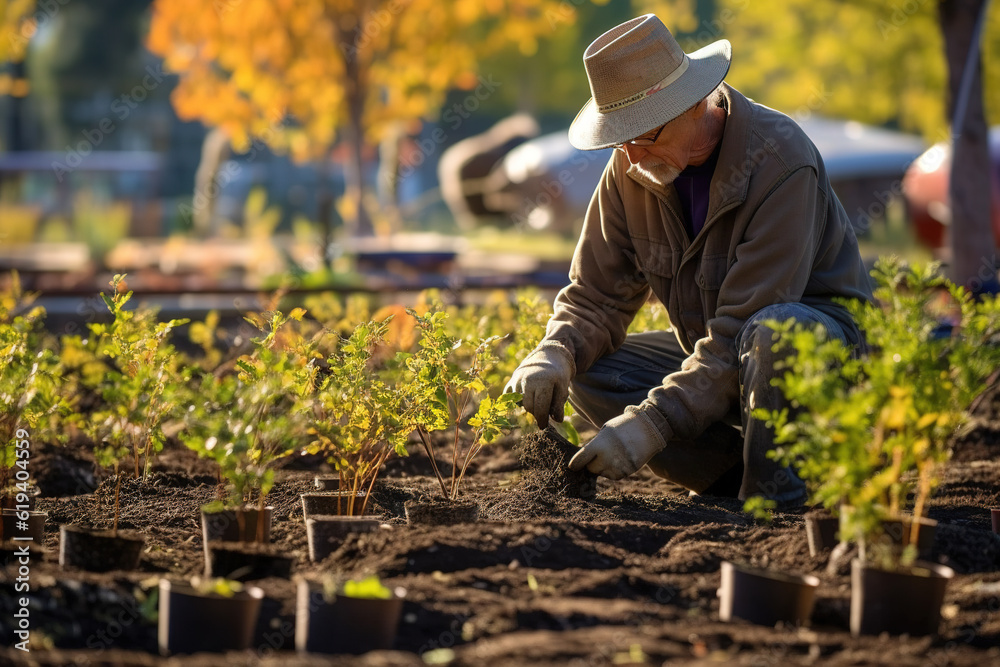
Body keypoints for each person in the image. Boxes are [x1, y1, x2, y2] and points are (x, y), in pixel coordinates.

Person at [504, 14, 874, 507]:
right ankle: (731, 480)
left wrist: (650, 426)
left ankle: (777, 501)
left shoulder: (780, 162)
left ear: (694, 104)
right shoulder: (632, 169)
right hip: (723, 354)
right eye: (620, 139)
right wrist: (555, 352)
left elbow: (743, 327)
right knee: (589, 371)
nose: (631, 157)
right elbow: (595, 296)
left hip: (819, 361)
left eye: (645, 135)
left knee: (774, 331)